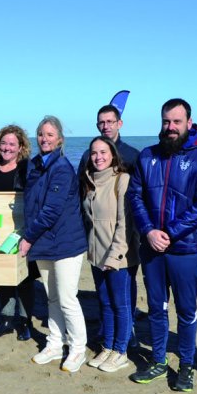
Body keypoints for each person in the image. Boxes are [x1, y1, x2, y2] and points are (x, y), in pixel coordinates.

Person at [128, 98, 197, 392]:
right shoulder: (147, 155)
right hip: (152, 247)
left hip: (185, 249)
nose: (170, 127)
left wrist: (170, 232)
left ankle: (187, 365)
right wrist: (149, 231)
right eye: (166, 121)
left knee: (186, 311)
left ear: (188, 124)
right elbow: (135, 197)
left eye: (177, 122)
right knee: (156, 307)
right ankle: (158, 360)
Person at [20, 116, 88, 373]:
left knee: (67, 298)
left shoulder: (61, 167)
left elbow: (51, 210)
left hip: (65, 243)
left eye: (49, 134)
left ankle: (78, 348)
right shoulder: (36, 165)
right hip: (43, 242)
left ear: (59, 138)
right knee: (51, 297)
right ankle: (54, 343)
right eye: (40, 134)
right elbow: (31, 204)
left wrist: (27, 239)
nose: (44, 139)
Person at [77, 104, 144, 343]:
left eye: (110, 122)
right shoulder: (88, 155)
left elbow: (139, 198)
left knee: (124, 289)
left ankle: (129, 329)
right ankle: (108, 329)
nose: (106, 126)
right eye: (101, 123)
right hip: (96, 237)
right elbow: (82, 192)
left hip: (126, 237)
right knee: (104, 294)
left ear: (119, 124)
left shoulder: (134, 156)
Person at [80, 137, 139, 373]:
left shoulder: (121, 180)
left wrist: (114, 257)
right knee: (104, 303)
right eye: (94, 153)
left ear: (113, 154)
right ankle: (108, 346)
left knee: (121, 305)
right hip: (97, 256)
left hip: (120, 258)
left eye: (103, 152)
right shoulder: (90, 181)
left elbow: (125, 224)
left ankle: (121, 351)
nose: (98, 157)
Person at [0, 124, 35, 341]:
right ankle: (7, 320)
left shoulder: (27, 169)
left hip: (21, 231)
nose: (7, 148)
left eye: (12, 144)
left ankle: (25, 322)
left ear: (20, 147)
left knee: (24, 279)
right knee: (3, 278)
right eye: (3, 143)